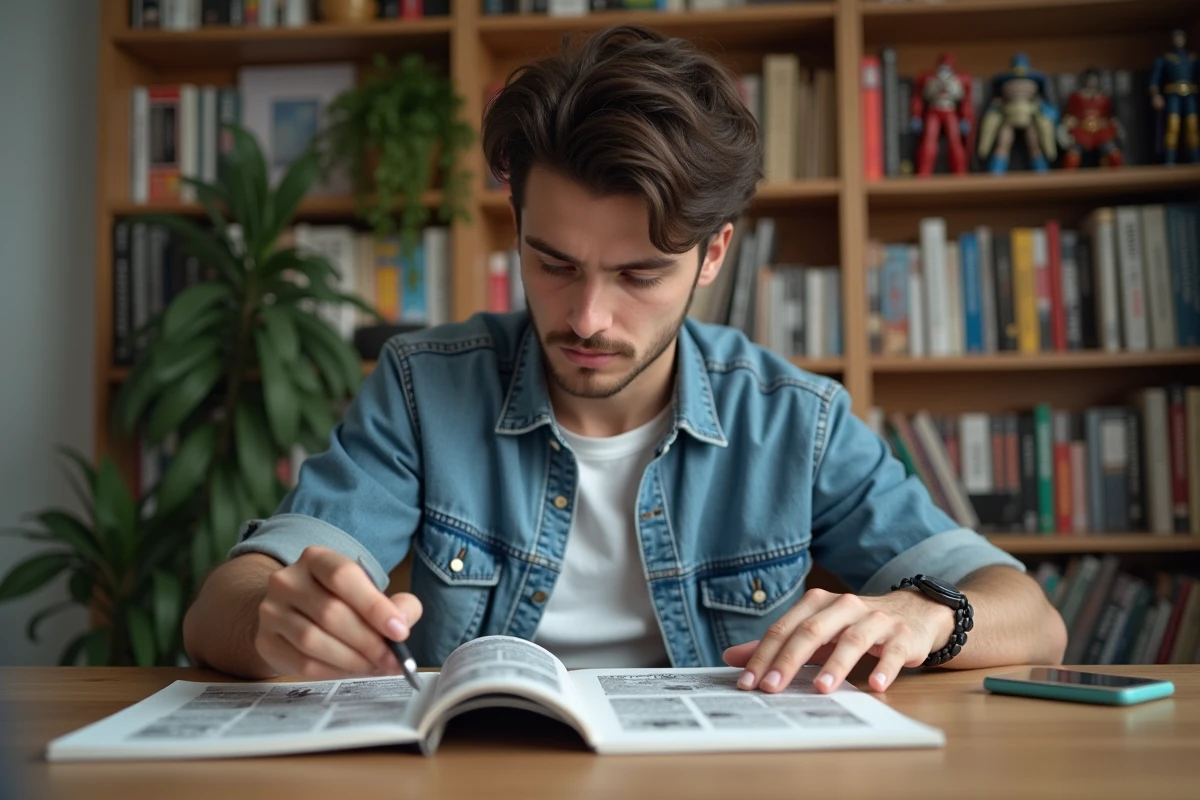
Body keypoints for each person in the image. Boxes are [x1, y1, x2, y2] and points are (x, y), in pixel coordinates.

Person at [183, 25, 1066, 696]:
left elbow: (1032, 618)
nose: (588, 318)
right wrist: (271, 617)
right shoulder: (423, 388)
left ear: (713, 255)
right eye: (553, 263)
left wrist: (922, 614)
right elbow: (229, 599)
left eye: (640, 274)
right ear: (517, 227)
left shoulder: (796, 420)